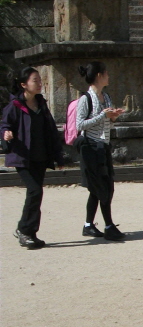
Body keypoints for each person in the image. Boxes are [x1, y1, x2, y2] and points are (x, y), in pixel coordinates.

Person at [1, 66, 64, 249]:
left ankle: (31, 233)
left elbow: (51, 131)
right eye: (35, 80)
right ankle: (23, 229)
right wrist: (6, 133)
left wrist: (58, 156)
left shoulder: (41, 105)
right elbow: (5, 125)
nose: (39, 84)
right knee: (35, 190)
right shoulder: (14, 106)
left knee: (36, 193)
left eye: (40, 80)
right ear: (24, 85)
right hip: (23, 157)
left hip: (41, 157)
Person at [75, 62, 125, 241]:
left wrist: (112, 117)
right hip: (90, 147)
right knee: (102, 187)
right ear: (99, 75)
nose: (108, 76)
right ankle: (109, 226)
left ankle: (88, 225)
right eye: (106, 73)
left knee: (100, 188)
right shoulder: (85, 99)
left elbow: (106, 121)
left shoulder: (106, 97)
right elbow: (80, 125)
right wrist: (103, 115)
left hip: (103, 146)